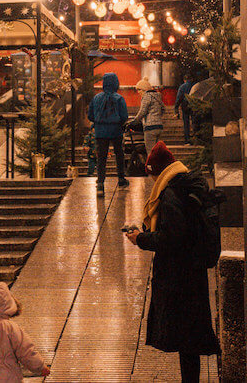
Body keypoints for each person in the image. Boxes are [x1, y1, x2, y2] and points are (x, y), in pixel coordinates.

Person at [124, 141, 219, 383]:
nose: (151, 180)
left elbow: (172, 237)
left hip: (179, 276)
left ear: (156, 170)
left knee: (185, 337)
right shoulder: (186, 183)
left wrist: (140, 238)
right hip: (192, 272)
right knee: (190, 339)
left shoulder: (170, 193)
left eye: (151, 174)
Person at [87, 72, 129, 194]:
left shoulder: (96, 98)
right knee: (119, 154)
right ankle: (121, 178)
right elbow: (124, 115)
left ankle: (100, 182)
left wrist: (98, 122)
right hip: (116, 130)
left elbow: (90, 115)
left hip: (100, 131)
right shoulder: (119, 98)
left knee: (101, 157)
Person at [129, 77, 165, 155]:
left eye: (139, 90)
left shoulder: (146, 96)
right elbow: (163, 108)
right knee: (157, 151)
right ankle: (158, 166)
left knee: (150, 152)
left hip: (150, 127)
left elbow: (142, 111)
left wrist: (134, 121)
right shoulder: (157, 96)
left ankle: (151, 166)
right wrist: (158, 117)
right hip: (159, 127)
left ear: (144, 89)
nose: (138, 92)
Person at [175, 75, 195, 143]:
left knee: (186, 122)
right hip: (193, 105)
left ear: (184, 80)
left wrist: (176, 108)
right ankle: (195, 137)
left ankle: (187, 139)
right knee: (194, 121)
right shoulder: (194, 86)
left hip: (185, 105)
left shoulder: (182, 87)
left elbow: (179, 97)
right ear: (191, 79)